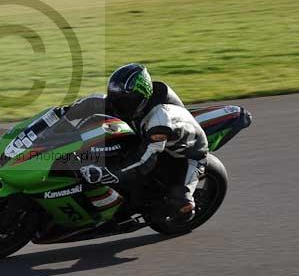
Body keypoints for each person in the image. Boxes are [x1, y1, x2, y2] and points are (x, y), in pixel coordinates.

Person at [61, 63, 208, 220]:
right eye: (115, 99)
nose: (117, 106)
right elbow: (66, 111)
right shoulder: (117, 102)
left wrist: (109, 174)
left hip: (186, 155)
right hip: (146, 137)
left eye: (125, 102)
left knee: (180, 204)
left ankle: (185, 207)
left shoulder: (159, 121)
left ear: (141, 99)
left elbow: (145, 161)